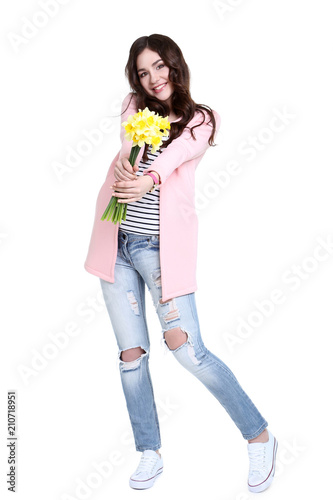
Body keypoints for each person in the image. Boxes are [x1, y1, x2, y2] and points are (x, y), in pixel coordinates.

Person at [84, 34, 278, 492]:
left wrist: (147, 178)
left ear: (174, 63)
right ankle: (149, 451)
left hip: (159, 250)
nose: (153, 78)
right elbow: (129, 146)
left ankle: (260, 436)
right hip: (117, 243)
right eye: (143, 71)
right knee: (132, 357)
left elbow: (174, 157)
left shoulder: (200, 119)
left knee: (187, 350)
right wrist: (130, 170)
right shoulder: (135, 106)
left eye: (159, 66)